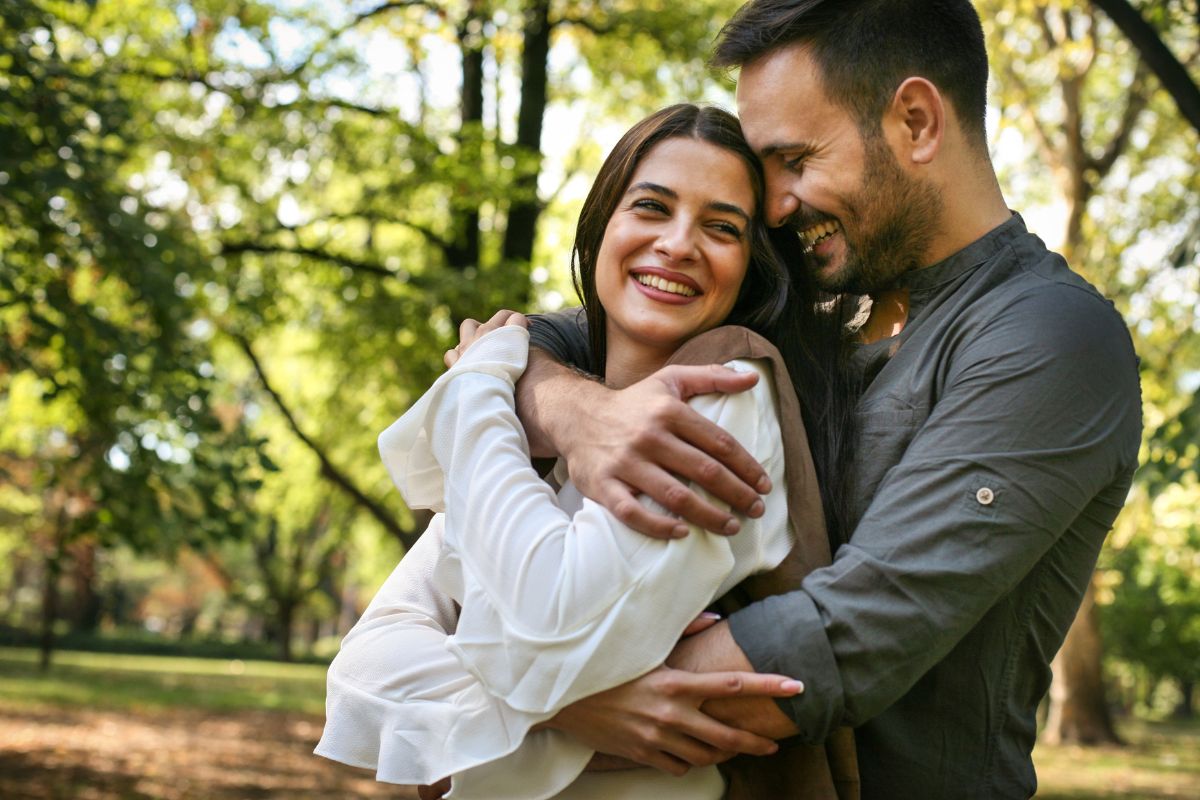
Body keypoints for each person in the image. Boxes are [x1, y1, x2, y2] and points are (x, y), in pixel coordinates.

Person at [498, 1, 1143, 797]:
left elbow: (839, 640)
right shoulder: (814, 307)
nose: (774, 206)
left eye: (795, 159)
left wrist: (531, 698)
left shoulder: (1049, 336)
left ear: (915, 122)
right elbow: (517, 344)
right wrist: (574, 408)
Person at [315, 104, 857, 799]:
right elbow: (364, 672)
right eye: (651, 207)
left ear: (752, 267)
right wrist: (570, 712)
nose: (679, 243)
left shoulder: (729, 386)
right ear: (602, 226)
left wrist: (477, 383)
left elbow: (548, 623)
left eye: (722, 227)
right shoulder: (536, 433)